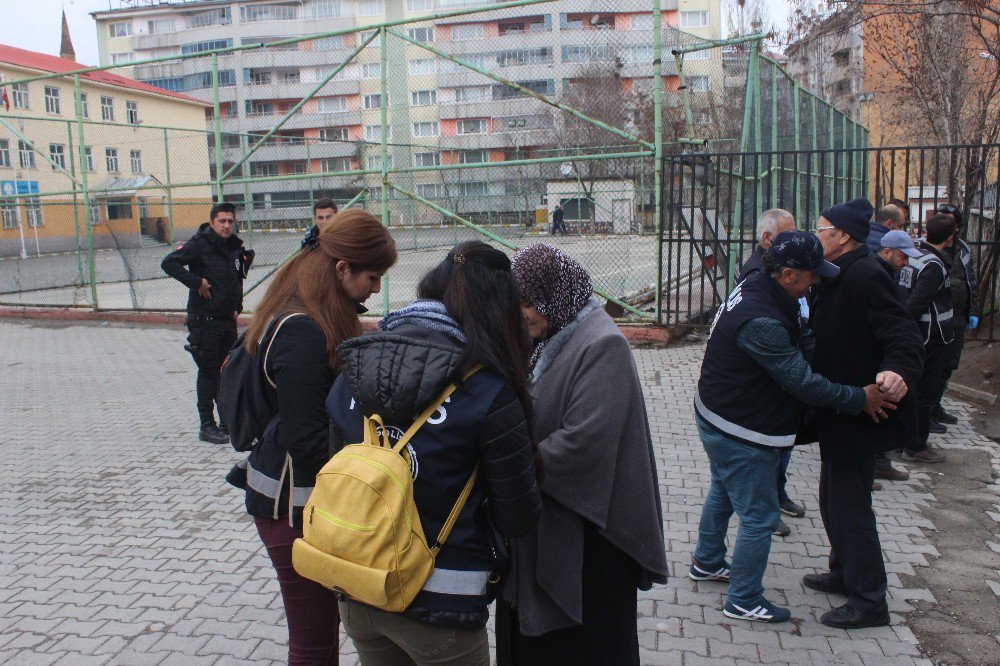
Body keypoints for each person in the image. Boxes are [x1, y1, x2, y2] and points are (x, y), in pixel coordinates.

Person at [326, 241, 542, 665]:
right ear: (496, 310)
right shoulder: (488, 391)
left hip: (357, 586)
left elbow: (334, 466)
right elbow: (518, 516)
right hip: (441, 602)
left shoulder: (354, 366)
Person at [691, 231, 896, 624]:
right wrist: (859, 397)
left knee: (724, 489)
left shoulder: (758, 282)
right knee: (760, 517)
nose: (816, 281)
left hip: (719, 413)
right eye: (810, 275)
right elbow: (802, 382)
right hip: (739, 426)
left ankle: (707, 561)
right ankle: (744, 599)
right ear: (787, 274)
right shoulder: (762, 320)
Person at [228, 209, 397, 664]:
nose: (376, 289)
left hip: (294, 502)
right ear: (342, 269)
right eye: (373, 276)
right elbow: (307, 440)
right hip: (295, 510)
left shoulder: (297, 310)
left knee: (316, 634)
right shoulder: (302, 330)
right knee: (314, 639)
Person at [498, 244, 668, 665]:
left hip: (594, 534)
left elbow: (585, 443)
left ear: (555, 295)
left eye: (527, 303)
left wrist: (511, 467)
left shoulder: (602, 345)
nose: (522, 314)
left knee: (589, 644)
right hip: (559, 519)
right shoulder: (552, 334)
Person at [805, 197, 924, 629]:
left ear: (842, 236)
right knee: (831, 499)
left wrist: (896, 371)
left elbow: (903, 333)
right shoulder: (839, 273)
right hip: (838, 411)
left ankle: (870, 600)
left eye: (820, 229)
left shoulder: (867, 274)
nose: (816, 235)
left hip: (859, 414)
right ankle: (843, 572)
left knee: (851, 507)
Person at [736, 209, 805, 537]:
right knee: (763, 456)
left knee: (780, 449)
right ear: (767, 239)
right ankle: (764, 507)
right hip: (763, 388)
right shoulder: (756, 276)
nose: (796, 238)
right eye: (787, 234)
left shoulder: (780, 270)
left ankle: (776, 494)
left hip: (780, 382)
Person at [161, 202, 254, 444]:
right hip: (204, 321)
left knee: (227, 373)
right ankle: (207, 425)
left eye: (230, 221)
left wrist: (237, 308)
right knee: (209, 373)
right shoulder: (199, 244)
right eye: (221, 221)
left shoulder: (234, 247)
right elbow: (169, 263)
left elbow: (237, 279)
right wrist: (196, 282)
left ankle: (227, 423)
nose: (226, 225)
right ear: (212, 223)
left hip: (226, 321)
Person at [899, 214, 956, 464]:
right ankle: (915, 446)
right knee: (923, 392)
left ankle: (904, 440)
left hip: (916, 335)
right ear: (950, 238)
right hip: (930, 337)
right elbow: (916, 302)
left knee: (911, 391)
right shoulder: (933, 264)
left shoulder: (914, 254)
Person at [872, 230, 924, 483]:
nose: (905, 263)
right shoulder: (874, 275)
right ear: (887, 251)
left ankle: (878, 463)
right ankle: (873, 464)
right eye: (903, 257)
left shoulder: (885, 272)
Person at [934, 203, 979, 427]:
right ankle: (926, 411)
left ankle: (935, 406)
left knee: (949, 364)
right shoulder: (928, 248)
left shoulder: (962, 248)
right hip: (937, 318)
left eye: (949, 221)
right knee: (932, 365)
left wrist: (973, 309)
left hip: (958, 317)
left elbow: (971, 279)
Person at [738, 208, 798, 282]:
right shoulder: (757, 274)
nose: (794, 239)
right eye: (789, 234)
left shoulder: (772, 264)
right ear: (767, 238)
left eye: (795, 233)